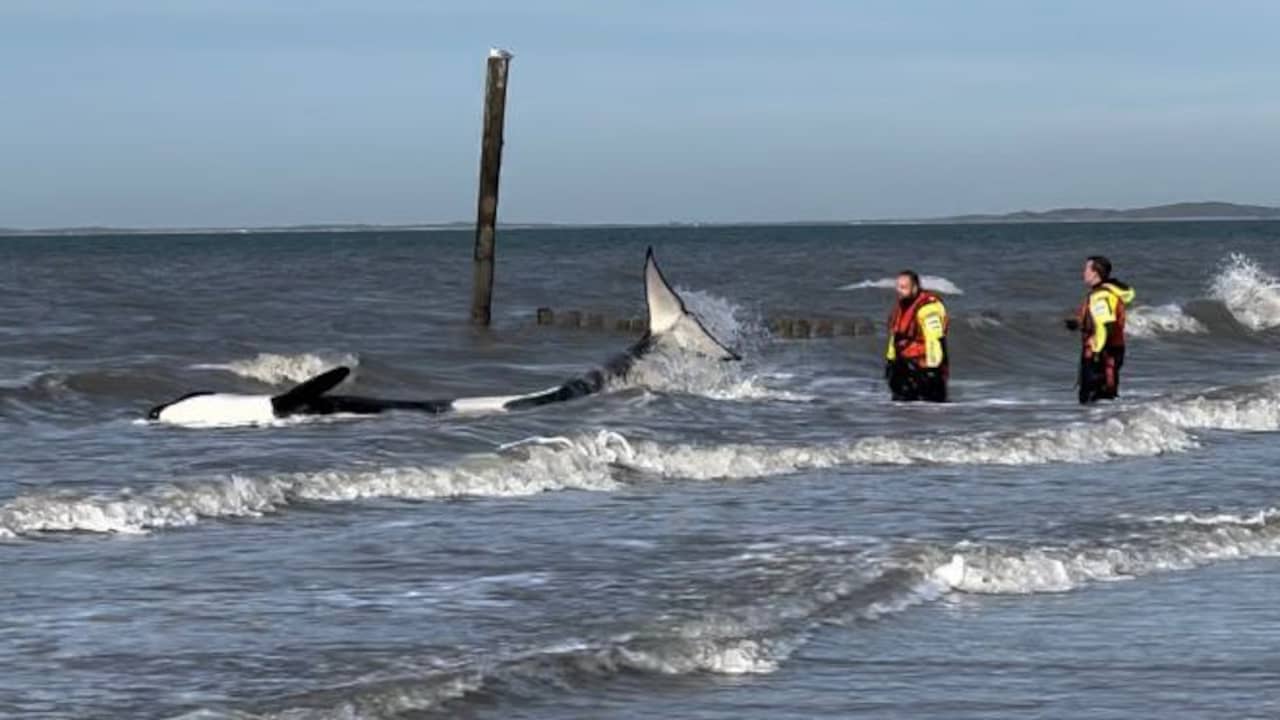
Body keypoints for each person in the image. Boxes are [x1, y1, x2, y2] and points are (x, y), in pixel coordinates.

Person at [1065, 255, 1135, 404]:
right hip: (1108, 352)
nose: (1083, 273)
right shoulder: (1102, 293)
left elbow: (1107, 324)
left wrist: (1097, 353)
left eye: (1086, 269)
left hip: (1102, 355)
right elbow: (1099, 321)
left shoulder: (1101, 296)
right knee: (1100, 399)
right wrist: (1078, 324)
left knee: (1096, 399)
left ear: (1096, 273)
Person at [884, 270, 949, 402]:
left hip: (924, 368)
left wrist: (932, 370)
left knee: (930, 408)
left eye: (903, 287)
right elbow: (895, 335)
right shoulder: (901, 306)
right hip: (904, 367)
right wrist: (890, 360)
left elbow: (934, 340)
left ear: (914, 287)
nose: (899, 290)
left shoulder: (928, 308)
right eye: (898, 286)